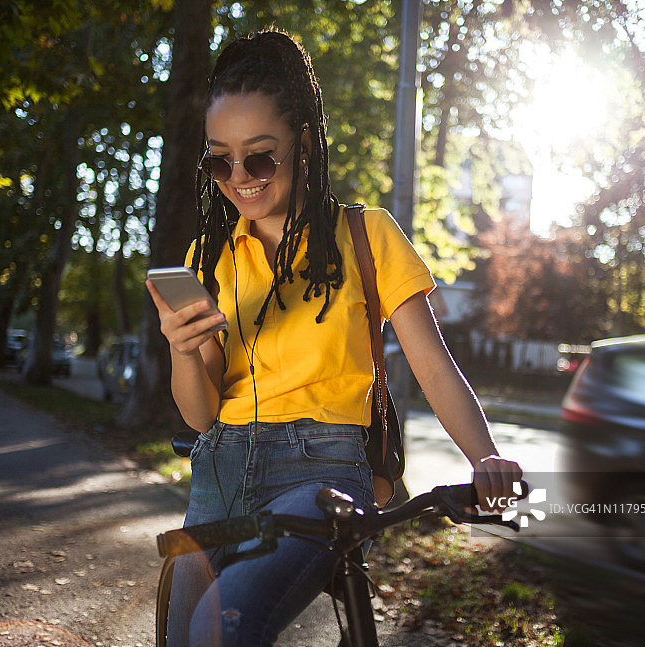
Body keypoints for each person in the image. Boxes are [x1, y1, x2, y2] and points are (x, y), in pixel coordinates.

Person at [146, 30, 523, 647]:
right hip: (218, 477)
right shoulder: (208, 256)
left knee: (225, 628)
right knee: (185, 637)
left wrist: (485, 457)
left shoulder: (368, 237)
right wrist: (183, 348)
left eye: (260, 157)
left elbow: (434, 367)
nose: (239, 177)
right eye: (220, 159)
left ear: (303, 143)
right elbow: (202, 412)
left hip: (321, 477)